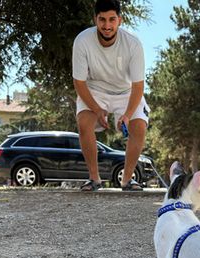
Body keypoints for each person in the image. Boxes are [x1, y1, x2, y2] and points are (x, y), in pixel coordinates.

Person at [72, 0, 149, 191]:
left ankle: (127, 180)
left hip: (126, 92)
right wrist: (97, 110)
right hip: (95, 91)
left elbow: (138, 86)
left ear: (120, 20)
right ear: (95, 20)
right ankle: (94, 178)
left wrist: (128, 115)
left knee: (139, 127)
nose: (107, 25)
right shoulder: (82, 41)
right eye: (102, 20)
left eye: (112, 19)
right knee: (84, 124)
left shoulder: (133, 43)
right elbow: (79, 83)